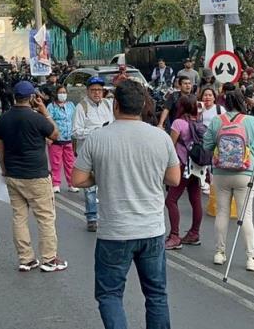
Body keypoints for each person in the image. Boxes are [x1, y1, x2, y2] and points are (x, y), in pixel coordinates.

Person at [72, 82, 181, 329]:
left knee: (110, 295)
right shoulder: (160, 137)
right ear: (143, 105)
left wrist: (102, 175)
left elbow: (77, 179)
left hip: (114, 232)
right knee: (156, 294)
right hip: (152, 230)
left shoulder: (97, 137)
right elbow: (173, 178)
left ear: (115, 105)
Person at [0, 80, 67, 272]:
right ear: (33, 98)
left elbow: (0, 148)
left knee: (19, 216)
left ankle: (26, 259)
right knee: (45, 217)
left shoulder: (4, 119)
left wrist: (4, 169)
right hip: (36, 174)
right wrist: (45, 111)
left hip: (13, 174)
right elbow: (56, 135)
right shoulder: (37, 118)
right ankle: (49, 258)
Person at [203, 88, 254, 271]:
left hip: (221, 174)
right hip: (244, 173)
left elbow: (207, 144)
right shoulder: (251, 121)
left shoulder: (216, 120)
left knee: (222, 213)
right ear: (242, 103)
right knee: (245, 215)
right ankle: (250, 257)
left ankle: (219, 253)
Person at [74, 76, 115, 232]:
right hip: (88, 152)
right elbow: (76, 132)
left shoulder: (108, 105)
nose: (97, 93)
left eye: (99, 90)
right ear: (88, 91)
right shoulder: (82, 107)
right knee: (90, 186)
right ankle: (92, 217)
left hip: (107, 150)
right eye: (94, 90)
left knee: (108, 184)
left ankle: (107, 216)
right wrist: (94, 132)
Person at [165, 94, 204, 250]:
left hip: (181, 166)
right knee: (195, 200)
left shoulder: (178, 123)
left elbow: (170, 146)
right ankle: (194, 233)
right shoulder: (199, 123)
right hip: (196, 165)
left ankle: (174, 236)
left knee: (171, 200)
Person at [48, 85, 78, 193]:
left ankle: (71, 183)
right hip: (56, 139)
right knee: (55, 163)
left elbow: (75, 118)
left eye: (64, 92)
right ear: (56, 94)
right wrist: (49, 136)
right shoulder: (51, 107)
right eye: (60, 92)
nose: (62, 94)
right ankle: (55, 183)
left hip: (69, 138)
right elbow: (48, 121)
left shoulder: (71, 106)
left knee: (70, 162)